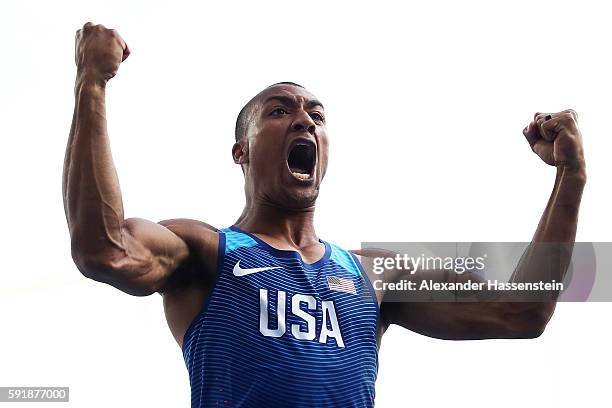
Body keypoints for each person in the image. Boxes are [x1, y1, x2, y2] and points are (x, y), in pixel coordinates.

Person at [63, 22, 587, 408]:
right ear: (240, 151)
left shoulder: (372, 274)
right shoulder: (204, 251)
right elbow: (103, 248)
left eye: (316, 116)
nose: (303, 122)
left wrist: (571, 177)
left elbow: (522, 310)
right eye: (279, 111)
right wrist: (92, 81)